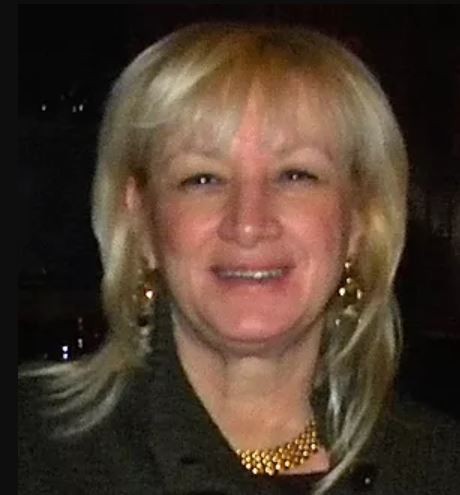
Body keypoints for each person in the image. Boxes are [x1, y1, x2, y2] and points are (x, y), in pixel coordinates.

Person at [18, 22, 459, 494]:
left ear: (361, 222)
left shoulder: (438, 466)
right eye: (203, 179)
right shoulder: (30, 450)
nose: (248, 223)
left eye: (296, 175)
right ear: (140, 221)